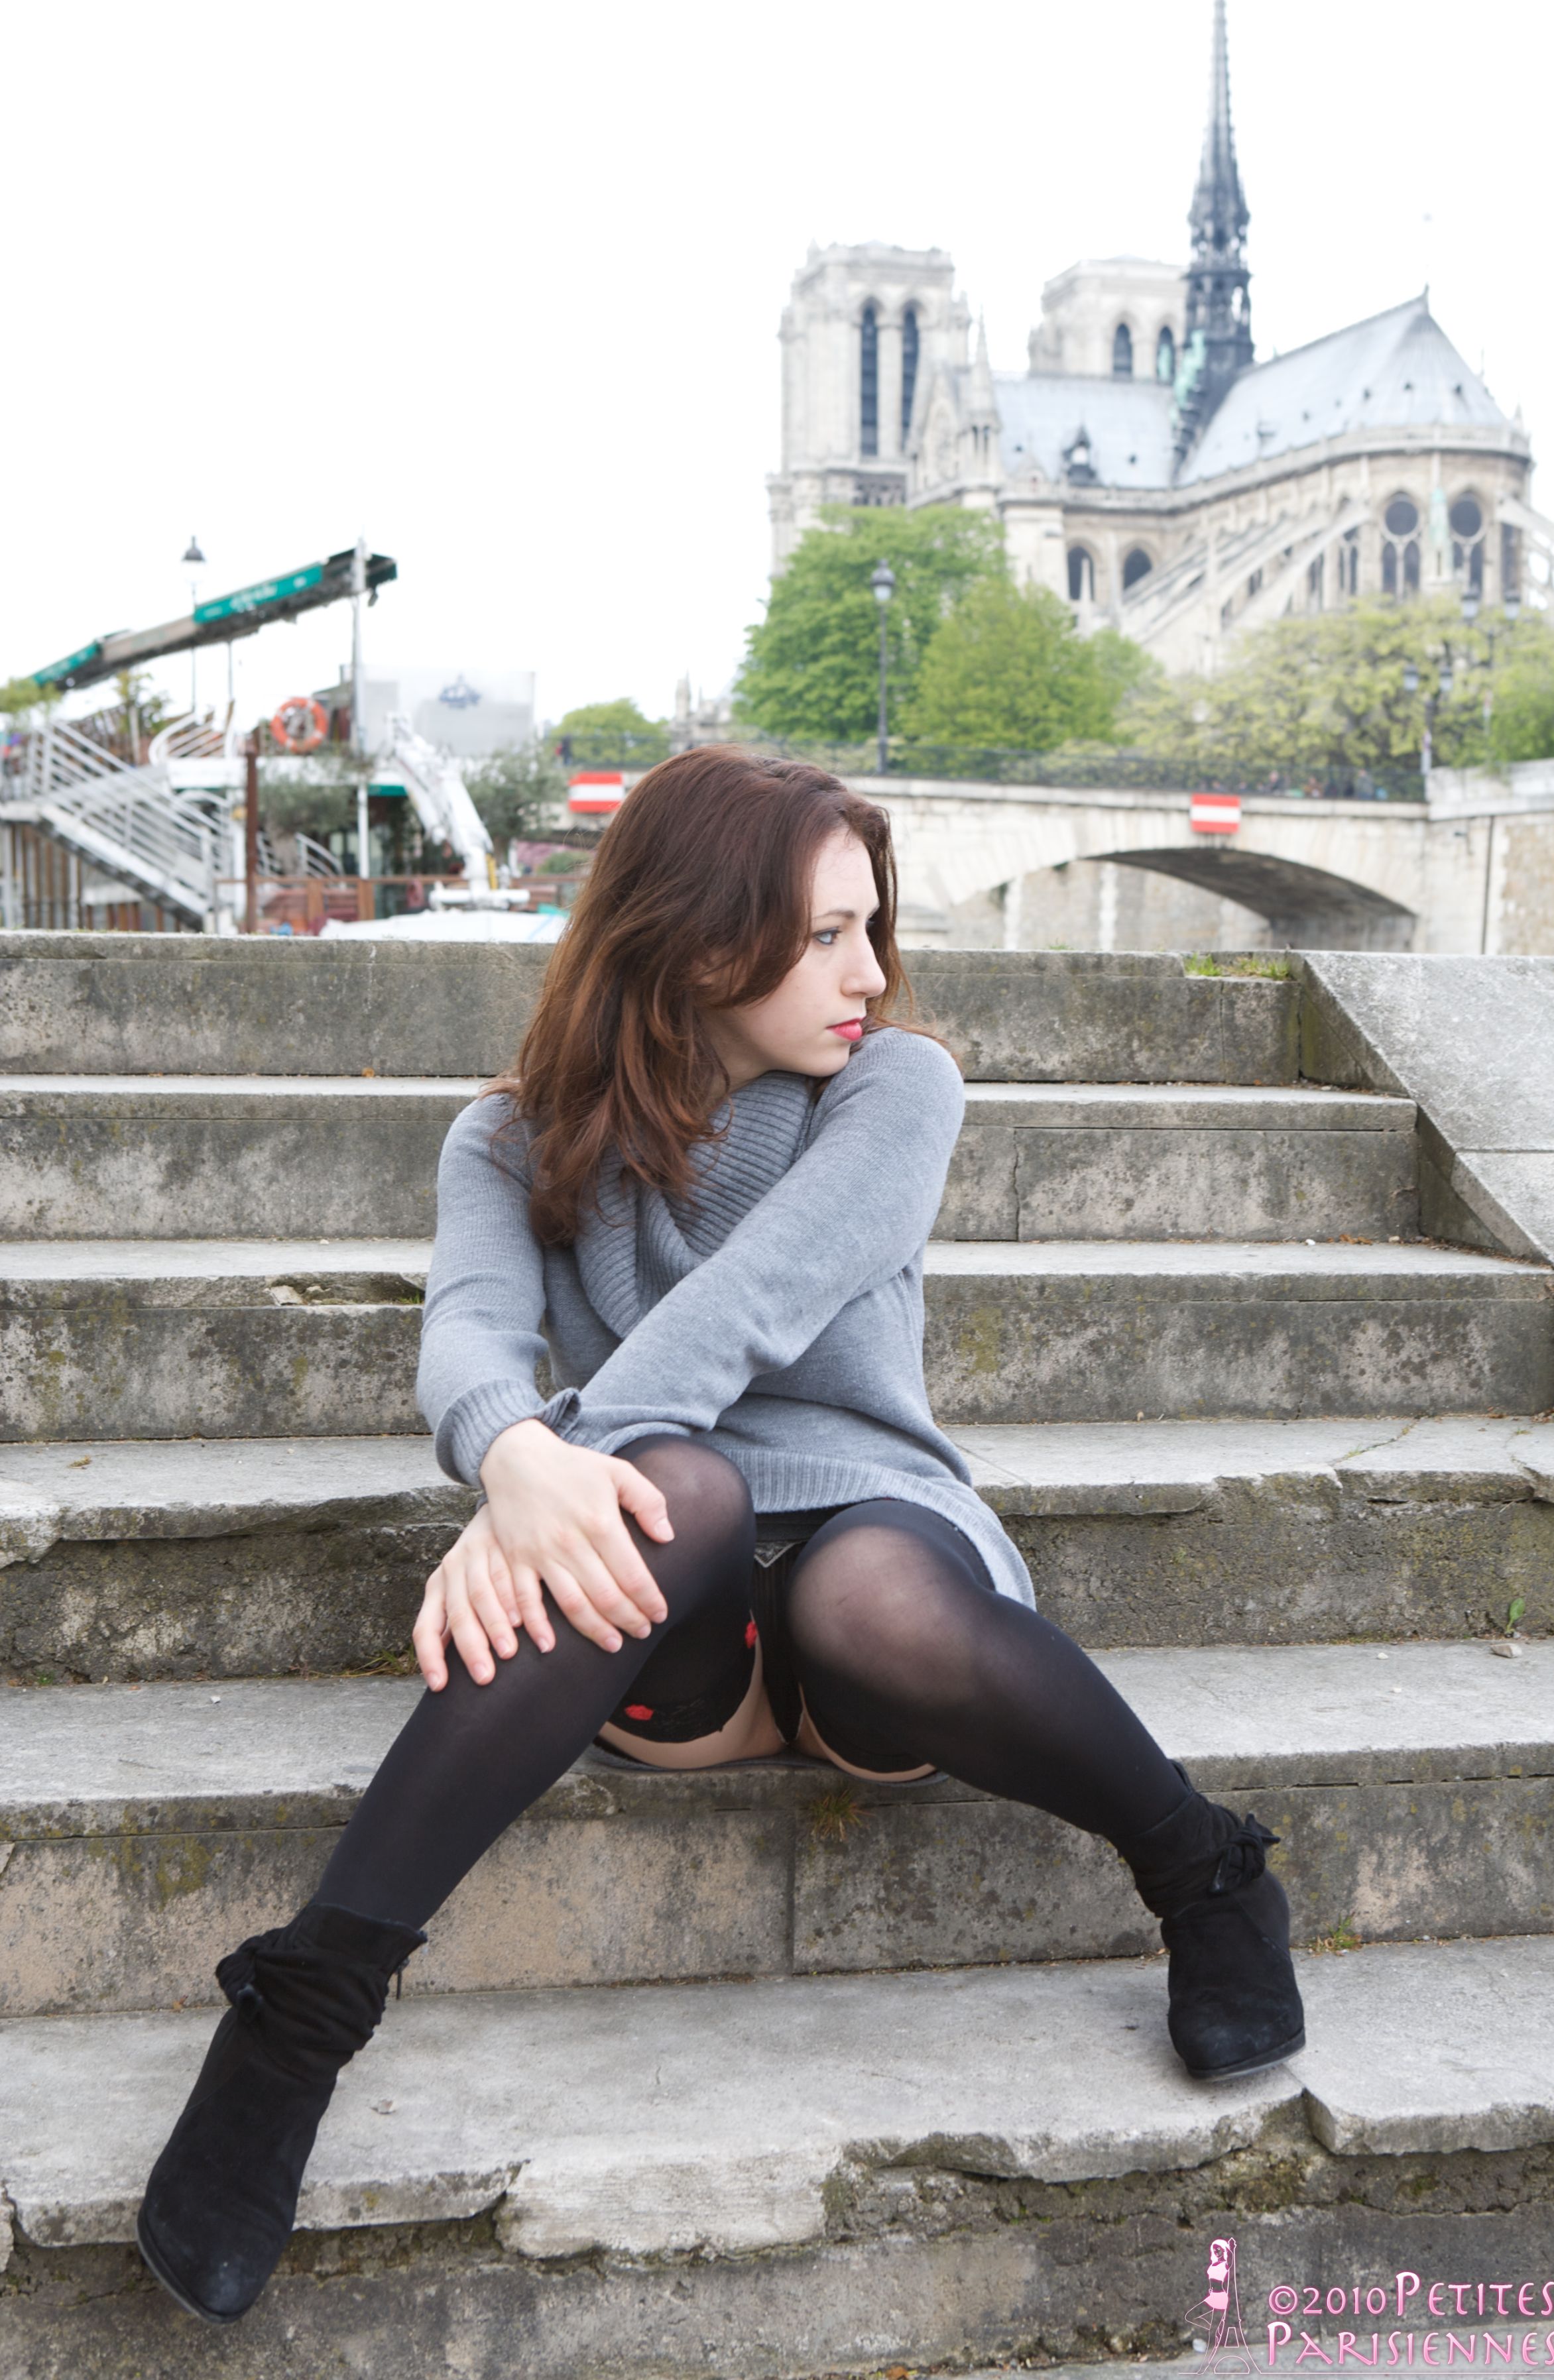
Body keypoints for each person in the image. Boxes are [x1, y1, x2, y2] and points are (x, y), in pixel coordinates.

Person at [135, 746, 1304, 2326]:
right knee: (681, 1490)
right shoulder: (507, 1136)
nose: (870, 971)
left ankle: (1204, 1867)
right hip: (671, 1605)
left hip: (877, 1571)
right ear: (695, 943)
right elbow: (468, 1331)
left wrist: (546, 1468)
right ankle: (299, 2016)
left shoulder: (894, 1087)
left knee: (858, 1584)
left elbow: (757, 1302)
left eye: (870, 926)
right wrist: (511, 1457)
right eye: (825, 935)